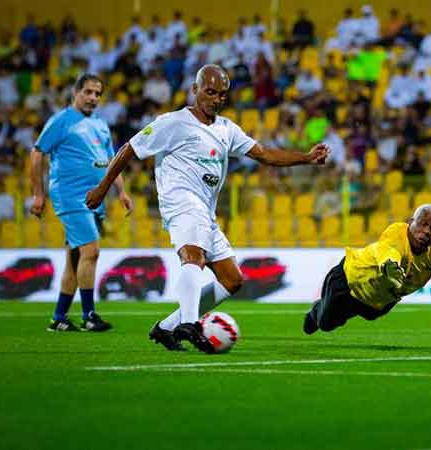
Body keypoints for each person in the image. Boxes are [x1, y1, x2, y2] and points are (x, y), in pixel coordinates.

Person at [86, 65, 329, 352]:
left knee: (232, 279)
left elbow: (264, 155)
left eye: (221, 95)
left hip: (205, 210)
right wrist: (103, 188)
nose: (215, 99)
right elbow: (129, 148)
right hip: (180, 201)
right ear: (195, 90)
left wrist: (306, 158)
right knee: (193, 256)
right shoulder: (173, 122)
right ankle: (189, 324)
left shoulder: (226, 129)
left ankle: (166, 327)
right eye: (210, 92)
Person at [30, 73, 133, 332]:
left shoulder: (99, 124)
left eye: (98, 94)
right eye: (88, 92)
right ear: (76, 93)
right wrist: (38, 194)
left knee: (75, 259)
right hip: (70, 196)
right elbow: (37, 152)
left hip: (93, 199)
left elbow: (112, 162)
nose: (93, 98)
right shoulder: (62, 120)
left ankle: (58, 317)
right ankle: (89, 315)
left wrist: (121, 192)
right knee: (91, 252)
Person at [303, 204, 431, 349]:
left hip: (377, 304)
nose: (427, 232)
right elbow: (387, 250)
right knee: (326, 323)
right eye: (423, 224)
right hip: (349, 280)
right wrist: (389, 265)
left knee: (362, 314)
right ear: (411, 222)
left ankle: (336, 311)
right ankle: (315, 312)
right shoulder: (396, 232)